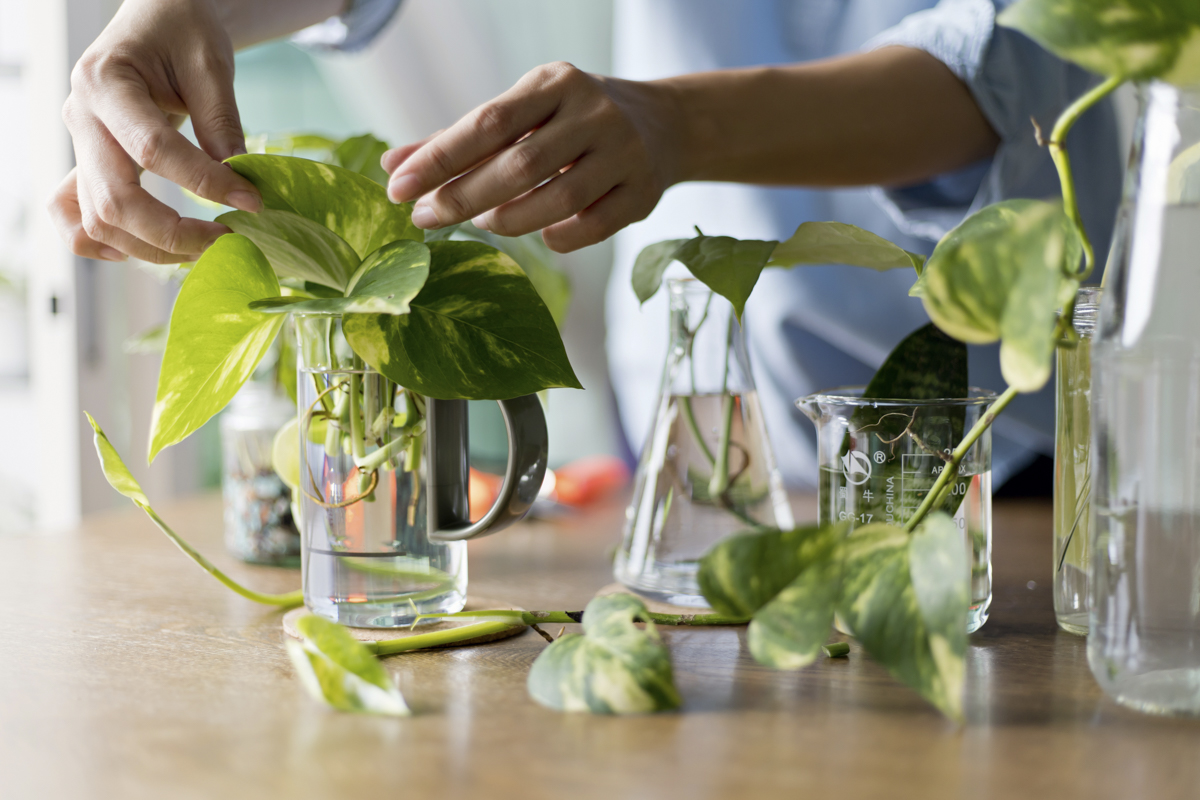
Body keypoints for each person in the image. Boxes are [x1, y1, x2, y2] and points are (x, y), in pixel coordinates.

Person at [51, 0, 1122, 487]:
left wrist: (679, 123)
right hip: (705, 444)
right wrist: (178, 14)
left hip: (992, 451)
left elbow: (1022, 58)